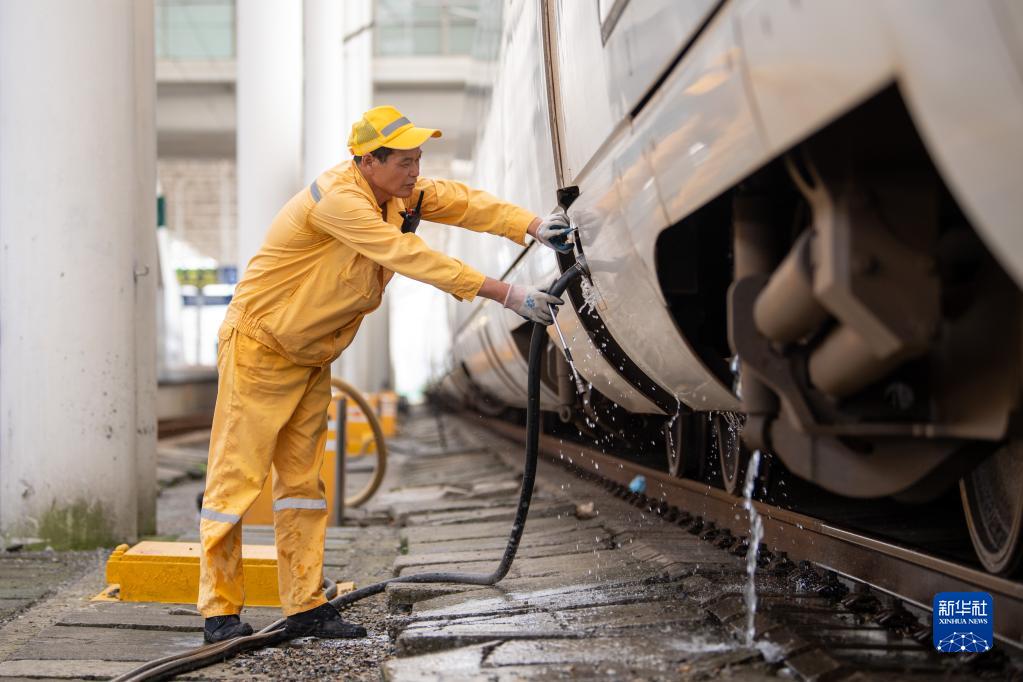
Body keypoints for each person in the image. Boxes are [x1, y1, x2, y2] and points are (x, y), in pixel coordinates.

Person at [197, 105, 573, 643]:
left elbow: (463, 202)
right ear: (368, 161)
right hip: (260, 346)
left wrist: (533, 225)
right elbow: (406, 254)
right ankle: (220, 613)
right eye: (405, 162)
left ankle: (306, 606)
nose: (415, 172)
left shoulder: (396, 193)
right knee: (236, 481)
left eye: (418, 159)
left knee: (303, 486)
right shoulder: (340, 200)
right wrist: (508, 293)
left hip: (309, 355)